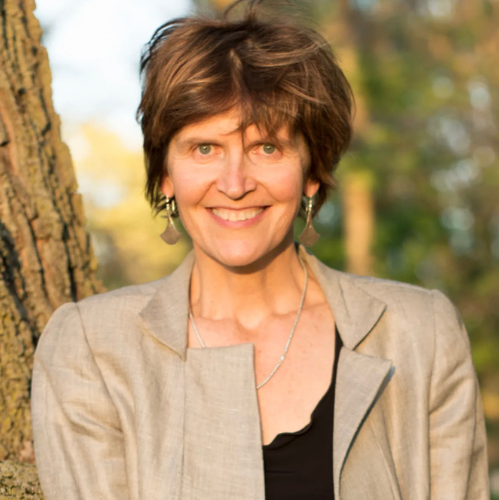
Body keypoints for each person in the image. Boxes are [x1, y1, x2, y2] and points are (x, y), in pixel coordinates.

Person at [31, 0, 490, 498]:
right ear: (165, 175)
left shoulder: (422, 336)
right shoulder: (91, 350)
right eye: (205, 148)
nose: (235, 184)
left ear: (311, 173)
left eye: (266, 148)